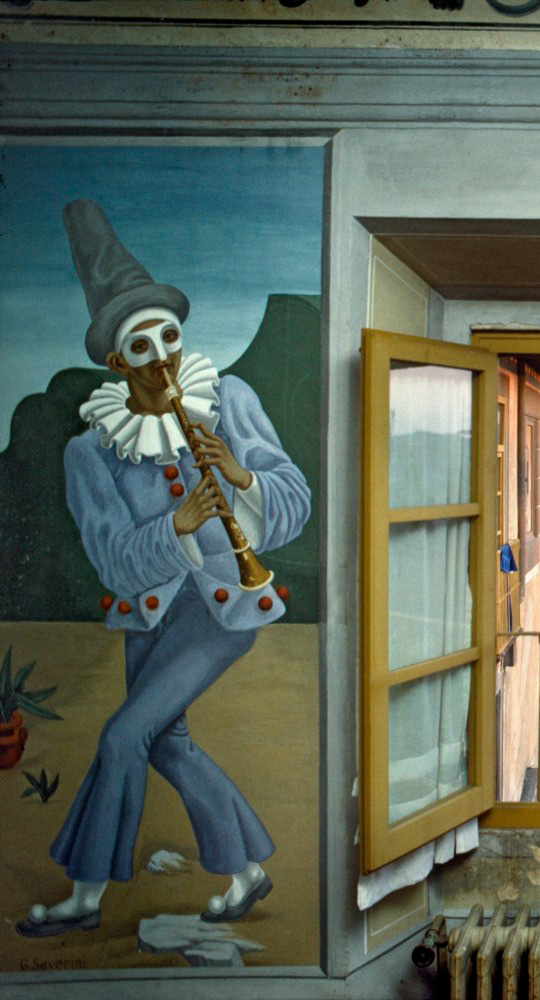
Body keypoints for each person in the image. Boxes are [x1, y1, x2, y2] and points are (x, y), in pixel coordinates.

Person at [17, 200, 310, 937]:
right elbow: (114, 562)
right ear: (118, 361)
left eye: (169, 337)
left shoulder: (229, 400)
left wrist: (241, 477)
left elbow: (295, 502)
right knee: (166, 744)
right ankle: (246, 872)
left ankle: (84, 898)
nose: (162, 357)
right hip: (148, 613)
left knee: (123, 737)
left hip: (223, 609)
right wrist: (176, 526)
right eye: (141, 346)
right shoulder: (90, 450)